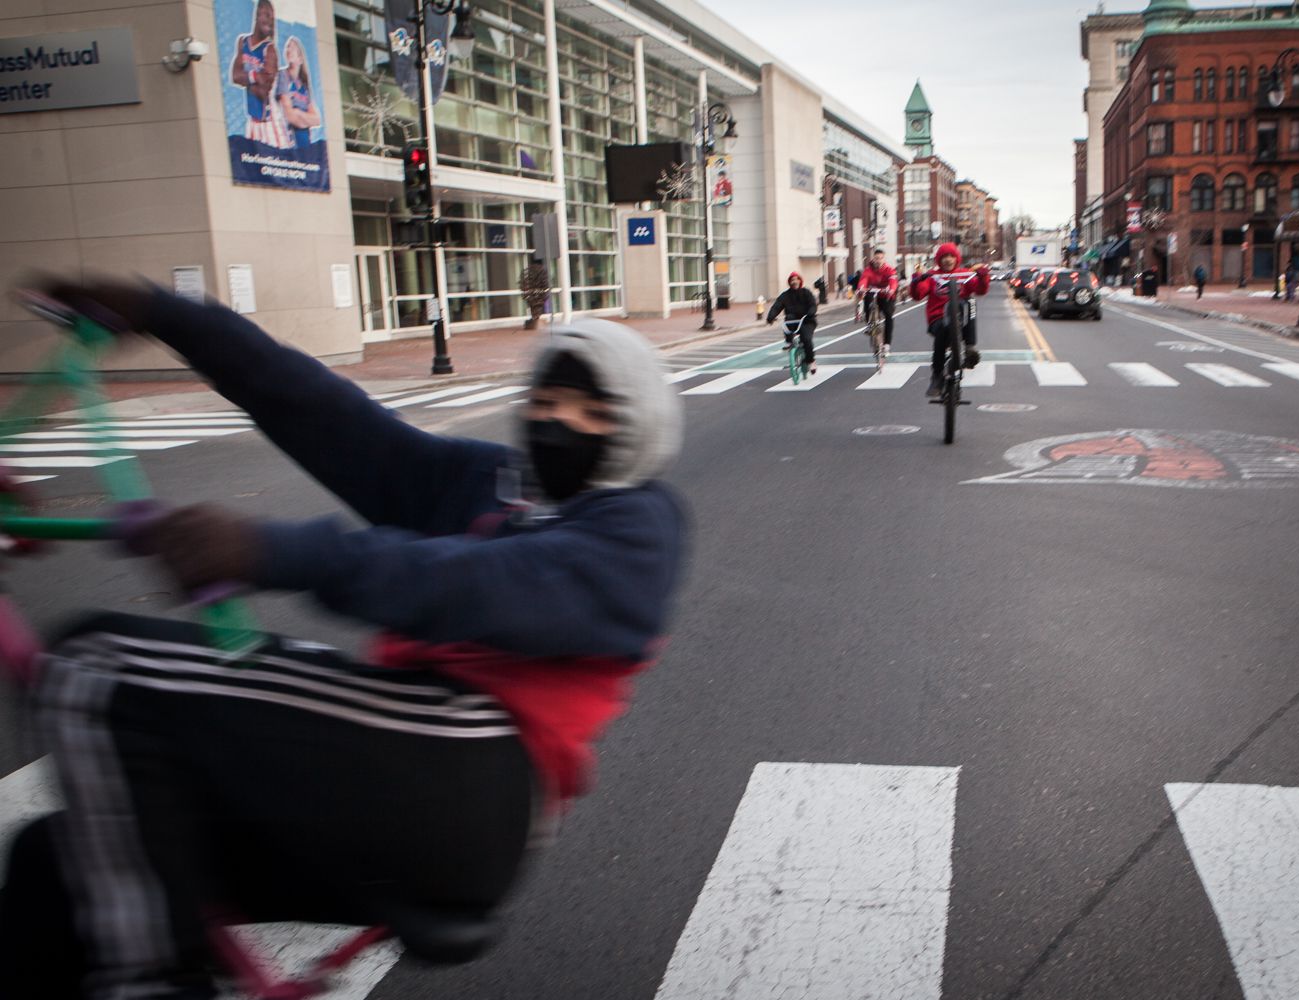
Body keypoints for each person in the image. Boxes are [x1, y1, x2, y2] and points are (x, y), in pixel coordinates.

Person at [0, 277, 688, 999]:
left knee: (98, 663)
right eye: (544, 403)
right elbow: (325, 416)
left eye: (591, 411)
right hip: (394, 770)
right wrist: (169, 316)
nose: (558, 423)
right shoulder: (489, 484)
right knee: (58, 862)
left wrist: (269, 551)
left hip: (472, 775)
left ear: (635, 424)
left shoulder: (638, 526)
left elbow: (481, 582)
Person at [910, 242, 989, 398]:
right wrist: (916, 281)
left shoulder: (964, 274)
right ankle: (937, 376)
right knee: (942, 330)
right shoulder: (932, 276)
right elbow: (918, 295)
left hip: (962, 319)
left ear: (956, 258)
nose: (948, 259)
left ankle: (970, 348)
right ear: (939, 259)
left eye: (951, 256)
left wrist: (982, 276)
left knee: (970, 301)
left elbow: (981, 290)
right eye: (944, 256)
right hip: (938, 319)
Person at [232, 0, 289, 149]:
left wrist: (248, 80)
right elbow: (235, 76)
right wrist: (256, 77)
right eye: (266, 15)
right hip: (252, 121)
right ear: (257, 15)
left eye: (272, 18)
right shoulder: (243, 41)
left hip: (270, 122)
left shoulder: (269, 49)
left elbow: (263, 91)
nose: (269, 21)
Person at [765, 272, 818, 374]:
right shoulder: (785, 295)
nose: (794, 282)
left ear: (800, 281)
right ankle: (789, 342)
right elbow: (777, 306)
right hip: (793, 322)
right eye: (792, 280)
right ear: (789, 283)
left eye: (796, 279)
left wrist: (811, 313)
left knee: (806, 339)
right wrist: (770, 317)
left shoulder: (806, 292)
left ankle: (811, 361)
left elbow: (812, 304)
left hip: (807, 321)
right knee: (787, 321)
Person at [276, 36, 321, 150]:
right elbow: (289, 115)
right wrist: (305, 119)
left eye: (293, 47)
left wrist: (299, 114)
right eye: (287, 47)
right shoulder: (283, 76)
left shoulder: (304, 86)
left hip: (305, 143)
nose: (289, 50)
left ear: (300, 58)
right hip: (288, 140)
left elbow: (317, 119)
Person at [855, 249, 899, 357]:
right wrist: (861, 288)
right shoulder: (868, 270)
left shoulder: (890, 270)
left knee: (889, 316)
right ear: (873, 259)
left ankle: (887, 344)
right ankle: (870, 324)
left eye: (880, 258)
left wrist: (891, 289)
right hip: (873, 293)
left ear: (884, 259)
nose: (878, 260)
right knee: (867, 300)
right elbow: (863, 280)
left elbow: (893, 281)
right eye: (876, 258)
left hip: (886, 295)